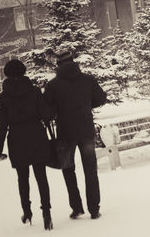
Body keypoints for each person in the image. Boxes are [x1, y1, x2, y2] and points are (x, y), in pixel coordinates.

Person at [43, 50, 107, 220]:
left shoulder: (53, 85)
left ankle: (76, 207)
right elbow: (101, 99)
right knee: (90, 171)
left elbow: (46, 111)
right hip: (86, 130)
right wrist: (86, 106)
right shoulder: (88, 79)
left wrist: (58, 110)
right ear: (73, 61)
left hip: (65, 133)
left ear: (58, 65)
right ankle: (94, 209)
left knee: (68, 169)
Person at [0, 59, 53, 230]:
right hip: (36, 135)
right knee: (41, 176)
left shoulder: (4, 97)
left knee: (22, 178)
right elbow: (47, 115)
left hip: (17, 139)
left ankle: (27, 211)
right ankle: (46, 212)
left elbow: (2, 123)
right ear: (24, 71)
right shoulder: (34, 91)